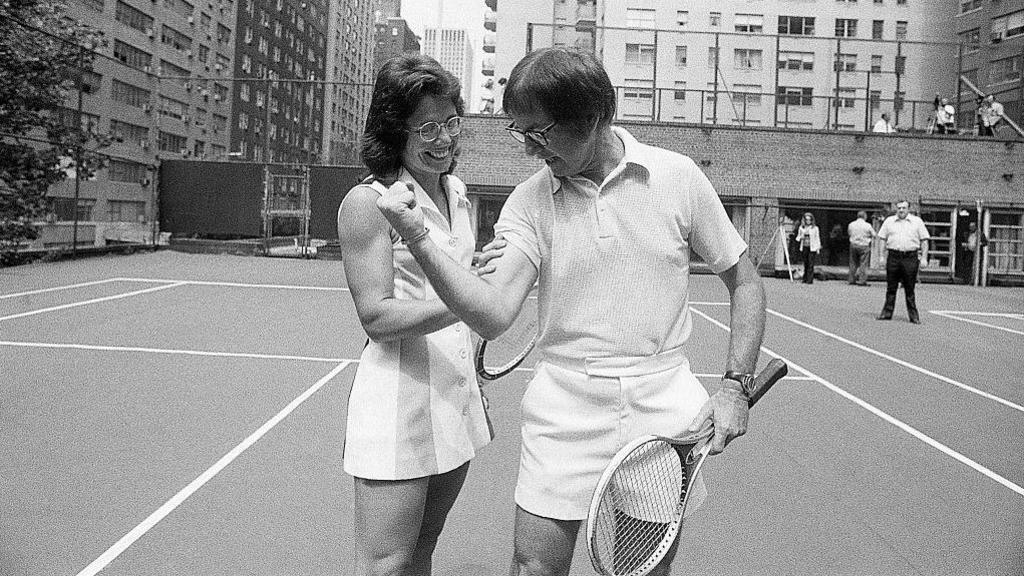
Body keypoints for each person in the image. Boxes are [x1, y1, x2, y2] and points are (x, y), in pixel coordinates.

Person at [377, 46, 767, 576]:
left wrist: (735, 388)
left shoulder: (678, 176)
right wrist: (419, 238)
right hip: (563, 404)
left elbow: (744, 281)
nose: (530, 148)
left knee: (642, 571)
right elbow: (492, 314)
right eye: (521, 132)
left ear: (595, 116)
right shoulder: (528, 201)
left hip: (662, 403)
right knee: (533, 567)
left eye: (541, 132)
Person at [337, 53, 502, 576]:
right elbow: (377, 318)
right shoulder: (369, 202)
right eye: (427, 127)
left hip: (454, 398)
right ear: (395, 131)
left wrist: (475, 271)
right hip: (397, 404)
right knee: (384, 564)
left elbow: (444, 276)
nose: (444, 138)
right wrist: (469, 298)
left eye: (451, 122)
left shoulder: (457, 193)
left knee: (422, 551)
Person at [876, 200, 930, 324]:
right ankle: (886, 313)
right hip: (893, 256)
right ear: (896, 209)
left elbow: (924, 240)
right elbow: (882, 239)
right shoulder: (889, 221)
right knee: (891, 287)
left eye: (904, 208)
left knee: (910, 288)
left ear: (908, 209)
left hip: (910, 257)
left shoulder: (917, 222)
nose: (901, 210)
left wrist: (924, 258)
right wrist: (881, 257)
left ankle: (913, 316)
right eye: (899, 208)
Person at [847, 210, 875, 286]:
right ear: (865, 216)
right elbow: (874, 234)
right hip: (864, 245)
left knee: (853, 262)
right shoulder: (868, 225)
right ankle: (862, 281)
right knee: (863, 263)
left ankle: (851, 280)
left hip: (853, 245)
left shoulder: (851, 224)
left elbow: (849, 233)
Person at [793, 212, 821, 284]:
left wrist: (818, 248)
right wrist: (801, 235)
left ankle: (810, 279)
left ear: (812, 220)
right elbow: (798, 238)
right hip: (804, 247)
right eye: (806, 219)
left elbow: (817, 238)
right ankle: (805, 278)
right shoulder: (801, 228)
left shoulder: (815, 228)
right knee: (806, 263)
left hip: (812, 248)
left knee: (811, 263)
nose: (808, 221)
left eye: (809, 219)